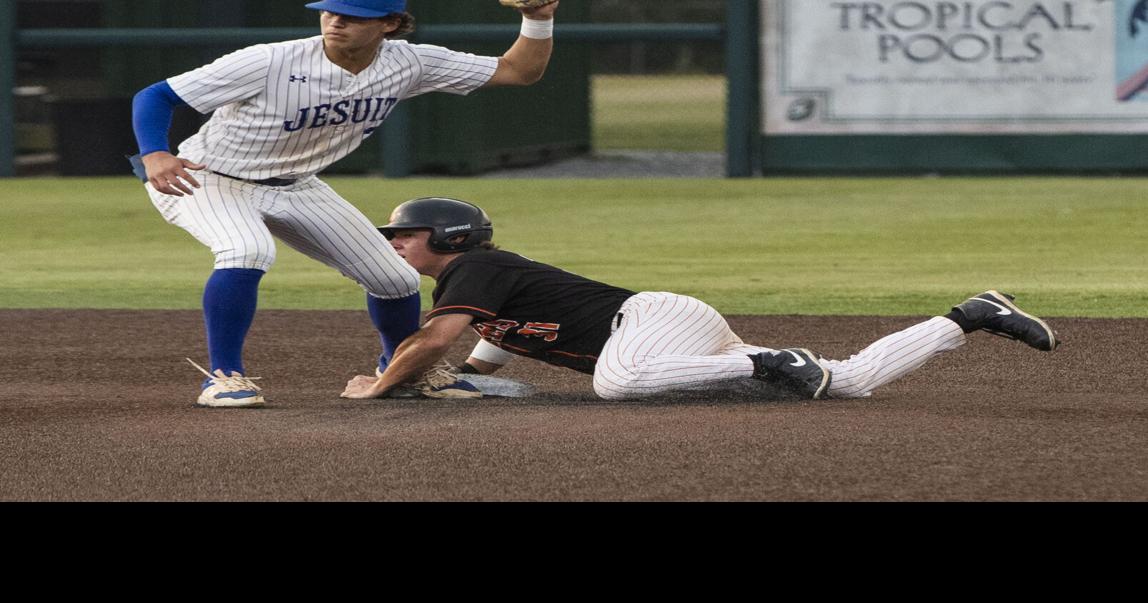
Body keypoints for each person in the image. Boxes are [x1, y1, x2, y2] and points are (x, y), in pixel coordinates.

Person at [130, 0, 561, 407]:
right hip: (209, 178)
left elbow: (517, 71)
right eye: (330, 12)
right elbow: (155, 96)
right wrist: (154, 153)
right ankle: (223, 376)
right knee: (247, 250)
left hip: (299, 185)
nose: (336, 22)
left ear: (389, 23)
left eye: (353, 16)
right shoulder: (270, 60)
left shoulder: (407, 62)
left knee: (395, 278)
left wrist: (538, 17)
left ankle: (404, 370)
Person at [340, 197, 1060, 401]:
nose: (396, 243)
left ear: (453, 237)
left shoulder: (477, 270)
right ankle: (969, 314)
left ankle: (765, 361)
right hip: (669, 335)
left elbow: (432, 341)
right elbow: (478, 359)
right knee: (847, 380)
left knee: (615, 383)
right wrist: (435, 385)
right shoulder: (488, 291)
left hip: (654, 320)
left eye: (406, 234)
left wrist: (381, 383)